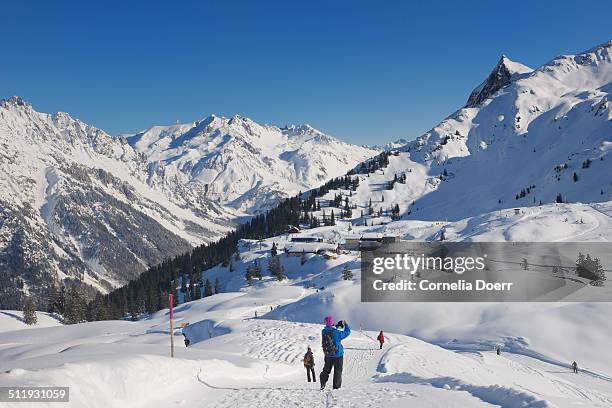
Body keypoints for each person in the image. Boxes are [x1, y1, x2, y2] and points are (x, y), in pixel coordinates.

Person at [320, 315, 351, 390]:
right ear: (332, 322)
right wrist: (346, 324)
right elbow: (347, 332)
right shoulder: (337, 332)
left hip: (328, 355)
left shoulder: (323, 332)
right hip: (338, 355)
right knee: (337, 371)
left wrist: (337, 326)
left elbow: (330, 330)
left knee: (326, 370)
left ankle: (323, 383)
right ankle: (336, 388)